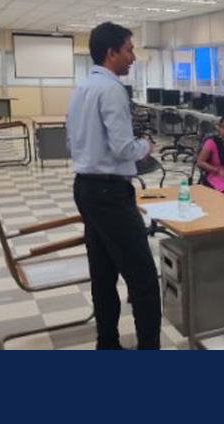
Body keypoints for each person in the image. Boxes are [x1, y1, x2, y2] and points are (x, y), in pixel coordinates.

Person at [67, 22, 160, 350]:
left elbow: (73, 143)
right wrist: (145, 146)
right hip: (109, 193)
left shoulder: (82, 88)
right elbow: (123, 148)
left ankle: (107, 344)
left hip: (85, 188)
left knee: (103, 275)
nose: (133, 57)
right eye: (129, 50)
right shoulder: (112, 90)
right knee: (144, 280)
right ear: (111, 53)